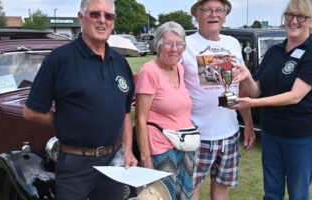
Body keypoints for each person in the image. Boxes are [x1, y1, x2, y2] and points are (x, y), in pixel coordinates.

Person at [23, 0, 137, 199]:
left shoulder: (120, 62)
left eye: (108, 16)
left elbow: (125, 111)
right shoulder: (59, 59)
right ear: (81, 18)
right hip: (75, 163)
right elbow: (31, 112)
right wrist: (66, 119)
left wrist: (127, 151)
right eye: (95, 14)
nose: (102, 20)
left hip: (112, 163)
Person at [229, 0, 312, 199]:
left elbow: (295, 96)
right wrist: (247, 76)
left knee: (297, 191)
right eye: (289, 15)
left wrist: (252, 104)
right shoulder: (274, 51)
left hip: (302, 134)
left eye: (301, 17)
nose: (294, 21)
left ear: (311, 21)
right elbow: (256, 91)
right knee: (272, 191)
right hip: (272, 131)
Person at [181, 0, 256, 199]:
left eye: (219, 10)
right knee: (191, 188)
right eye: (207, 10)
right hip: (197, 134)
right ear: (196, 16)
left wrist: (247, 124)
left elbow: (240, 87)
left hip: (229, 133)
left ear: (224, 16)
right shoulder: (185, 44)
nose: (213, 14)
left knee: (222, 187)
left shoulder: (232, 43)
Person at [135, 21, 196, 200]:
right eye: (169, 43)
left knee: (184, 196)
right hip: (161, 151)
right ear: (159, 45)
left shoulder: (180, 69)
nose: (174, 49)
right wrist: (146, 160)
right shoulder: (149, 71)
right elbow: (140, 118)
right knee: (161, 196)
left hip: (185, 147)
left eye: (179, 44)